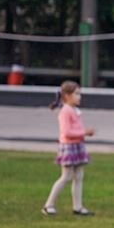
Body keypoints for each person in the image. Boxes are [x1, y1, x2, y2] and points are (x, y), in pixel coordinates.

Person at [42, 81, 95, 216]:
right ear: (67, 96)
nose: (79, 97)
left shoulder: (74, 111)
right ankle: (48, 205)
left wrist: (83, 133)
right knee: (66, 176)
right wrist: (84, 133)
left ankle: (78, 206)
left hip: (77, 145)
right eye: (76, 94)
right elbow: (66, 132)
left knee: (79, 176)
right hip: (69, 146)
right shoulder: (65, 111)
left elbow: (75, 129)